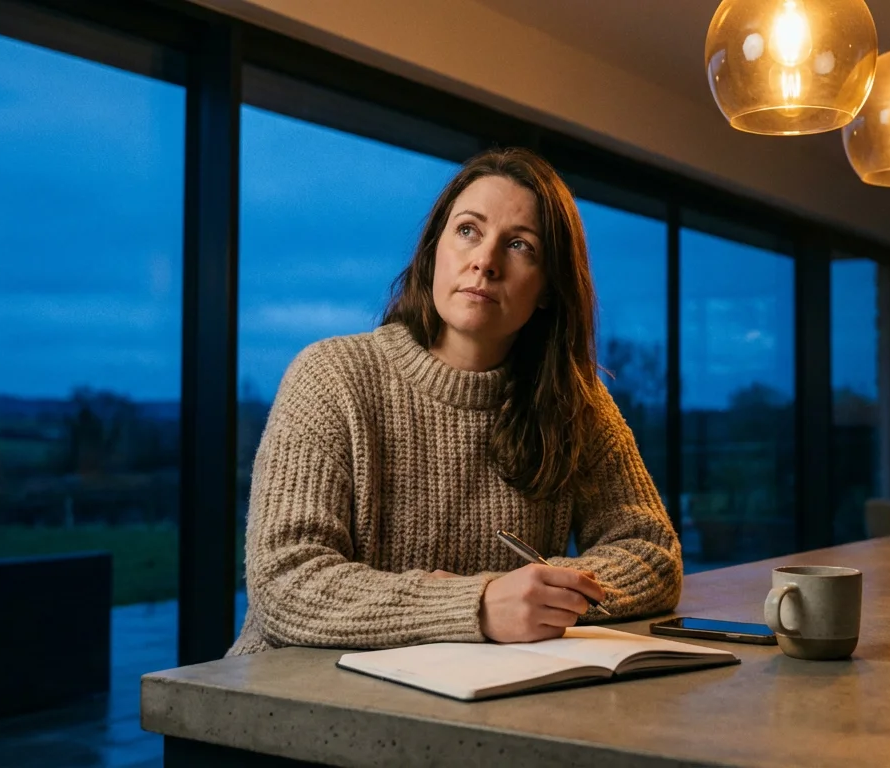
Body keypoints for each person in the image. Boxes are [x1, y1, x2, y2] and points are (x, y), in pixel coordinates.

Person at [229, 147, 682, 655]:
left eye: (519, 245)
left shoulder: (575, 402)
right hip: (287, 705)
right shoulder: (331, 377)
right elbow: (284, 583)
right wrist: (479, 604)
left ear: (550, 288)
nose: (485, 261)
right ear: (433, 251)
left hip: (475, 698)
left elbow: (652, 553)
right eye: (468, 230)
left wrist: (537, 594)